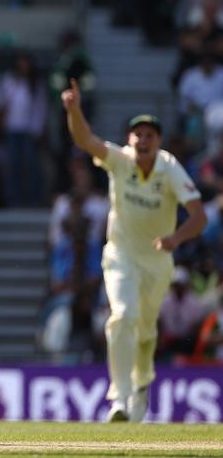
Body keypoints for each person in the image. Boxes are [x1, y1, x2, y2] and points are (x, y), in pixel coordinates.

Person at [61, 79, 207, 423]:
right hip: (121, 256)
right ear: (130, 139)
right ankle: (120, 398)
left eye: (150, 135)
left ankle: (142, 384)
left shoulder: (169, 167)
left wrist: (176, 238)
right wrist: (74, 110)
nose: (142, 140)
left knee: (145, 331)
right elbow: (86, 140)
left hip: (157, 261)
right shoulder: (121, 161)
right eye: (137, 134)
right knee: (122, 316)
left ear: (158, 142)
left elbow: (198, 215)